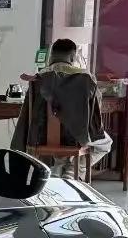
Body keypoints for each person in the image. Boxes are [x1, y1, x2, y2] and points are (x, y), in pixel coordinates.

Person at [12, 38, 113, 173]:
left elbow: (29, 113)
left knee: (56, 140)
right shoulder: (85, 77)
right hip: (75, 137)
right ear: (72, 57)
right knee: (105, 143)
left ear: (51, 56)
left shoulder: (39, 77)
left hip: (40, 137)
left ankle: (57, 170)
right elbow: (95, 108)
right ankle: (72, 171)